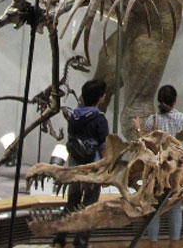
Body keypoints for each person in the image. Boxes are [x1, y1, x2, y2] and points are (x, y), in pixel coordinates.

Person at [133, 84, 183, 248]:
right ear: (175, 100)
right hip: (177, 169)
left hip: (158, 170)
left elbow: (145, 143)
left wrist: (137, 128)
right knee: (175, 208)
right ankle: (173, 244)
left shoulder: (153, 120)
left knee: (154, 207)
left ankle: (153, 244)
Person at [56, 79, 108, 248]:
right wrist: (106, 166)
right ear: (100, 97)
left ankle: (59, 237)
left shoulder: (73, 115)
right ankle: (81, 239)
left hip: (74, 165)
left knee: (72, 201)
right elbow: (103, 146)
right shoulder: (100, 119)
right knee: (90, 203)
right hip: (92, 167)